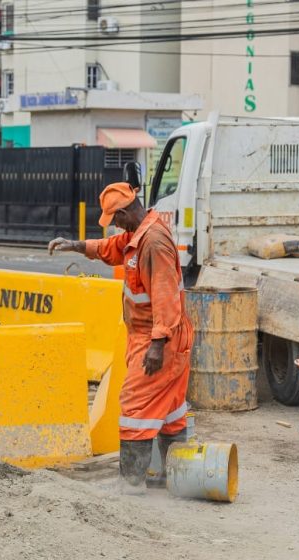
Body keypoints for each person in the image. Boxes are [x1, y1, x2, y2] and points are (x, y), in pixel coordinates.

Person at [48, 183, 193, 492]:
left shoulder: (153, 242)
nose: (115, 225)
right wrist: (75, 245)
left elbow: (167, 297)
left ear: (126, 212)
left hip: (159, 340)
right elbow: (112, 247)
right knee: (169, 409)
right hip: (158, 336)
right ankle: (174, 478)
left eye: (115, 219)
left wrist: (157, 345)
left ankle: (131, 484)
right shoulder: (139, 234)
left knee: (135, 408)